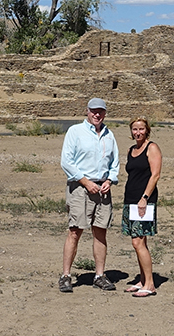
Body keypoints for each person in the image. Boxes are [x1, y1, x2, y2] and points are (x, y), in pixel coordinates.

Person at [59, 98, 120, 292]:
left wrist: (110, 180)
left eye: (100, 111)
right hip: (80, 187)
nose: (97, 114)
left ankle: (100, 275)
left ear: (105, 113)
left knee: (100, 231)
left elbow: (114, 162)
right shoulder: (75, 131)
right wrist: (85, 182)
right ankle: (66, 275)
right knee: (75, 230)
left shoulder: (109, 135)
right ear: (87, 111)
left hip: (102, 189)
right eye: (93, 111)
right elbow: (66, 161)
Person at [122, 117, 161, 297]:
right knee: (139, 242)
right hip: (130, 199)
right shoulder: (132, 150)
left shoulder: (151, 148)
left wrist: (144, 198)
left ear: (147, 130)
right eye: (135, 129)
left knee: (137, 241)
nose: (138, 132)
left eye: (141, 129)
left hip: (143, 200)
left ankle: (150, 284)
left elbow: (155, 175)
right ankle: (142, 280)